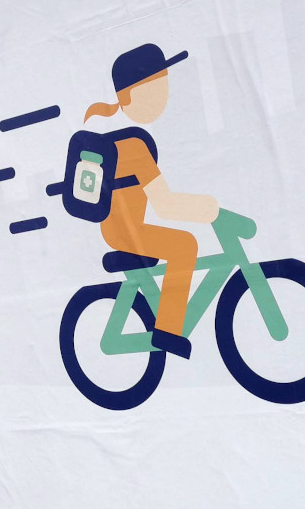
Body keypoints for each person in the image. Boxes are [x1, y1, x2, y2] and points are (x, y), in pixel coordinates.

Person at [83, 44, 219, 358]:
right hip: (123, 232)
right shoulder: (132, 146)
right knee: (184, 246)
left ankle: (165, 322)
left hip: (128, 227)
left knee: (182, 245)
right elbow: (164, 204)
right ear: (130, 97)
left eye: (164, 87)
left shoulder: (131, 140)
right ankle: (168, 331)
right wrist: (209, 209)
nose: (165, 97)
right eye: (155, 91)